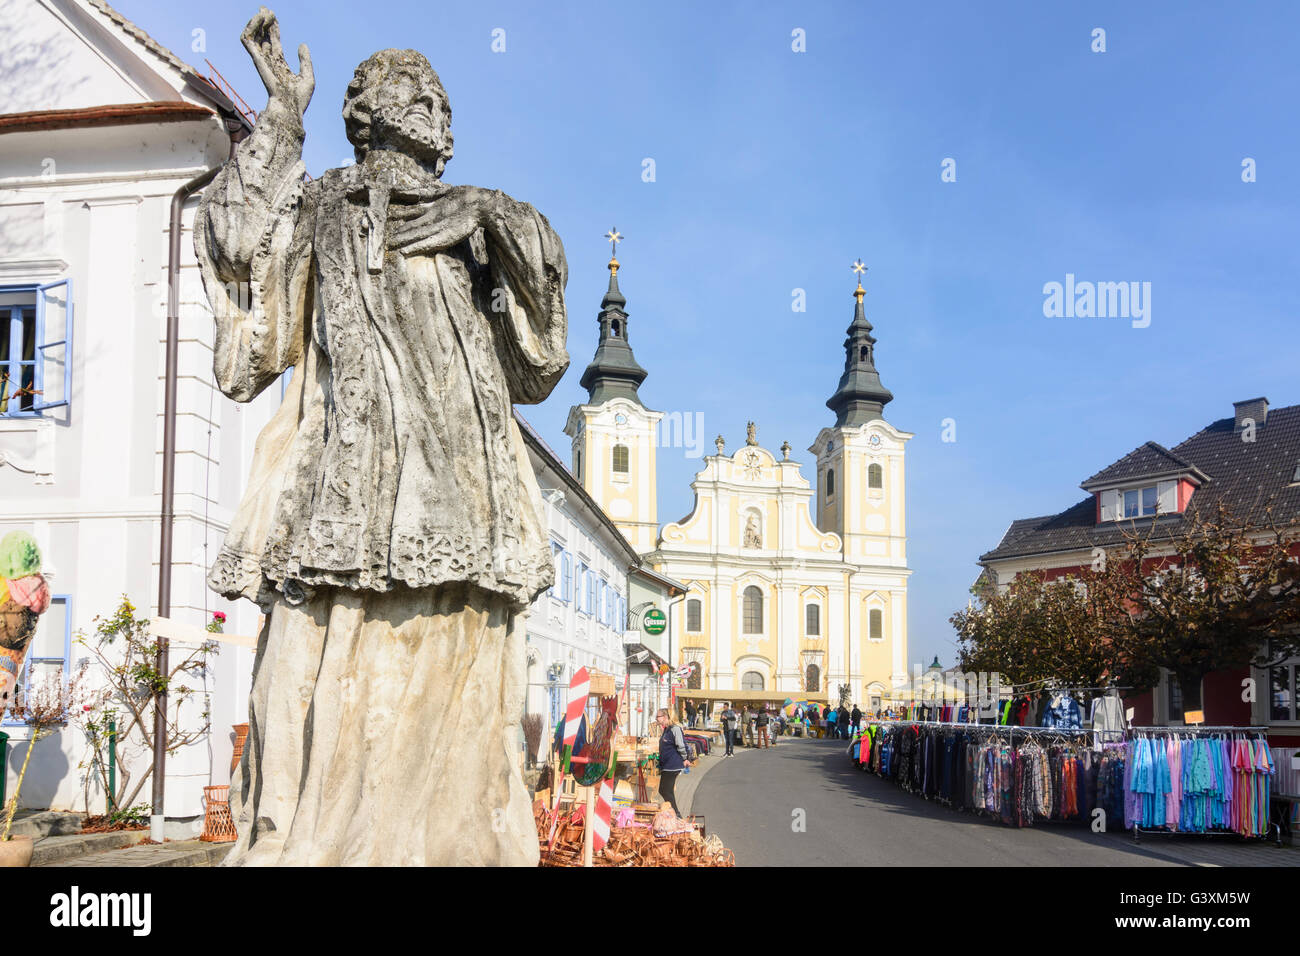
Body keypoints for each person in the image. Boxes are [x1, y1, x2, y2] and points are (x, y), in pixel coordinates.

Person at [655, 708, 692, 817]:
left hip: (673, 765)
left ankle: (676, 813)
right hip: (667, 765)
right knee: (667, 790)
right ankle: (675, 813)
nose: (656, 719)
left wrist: (685, 758)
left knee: (664, 790)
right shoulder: (667, 729)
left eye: (658, 716)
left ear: (665, 717)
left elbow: (680, 744)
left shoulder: (675, 729)